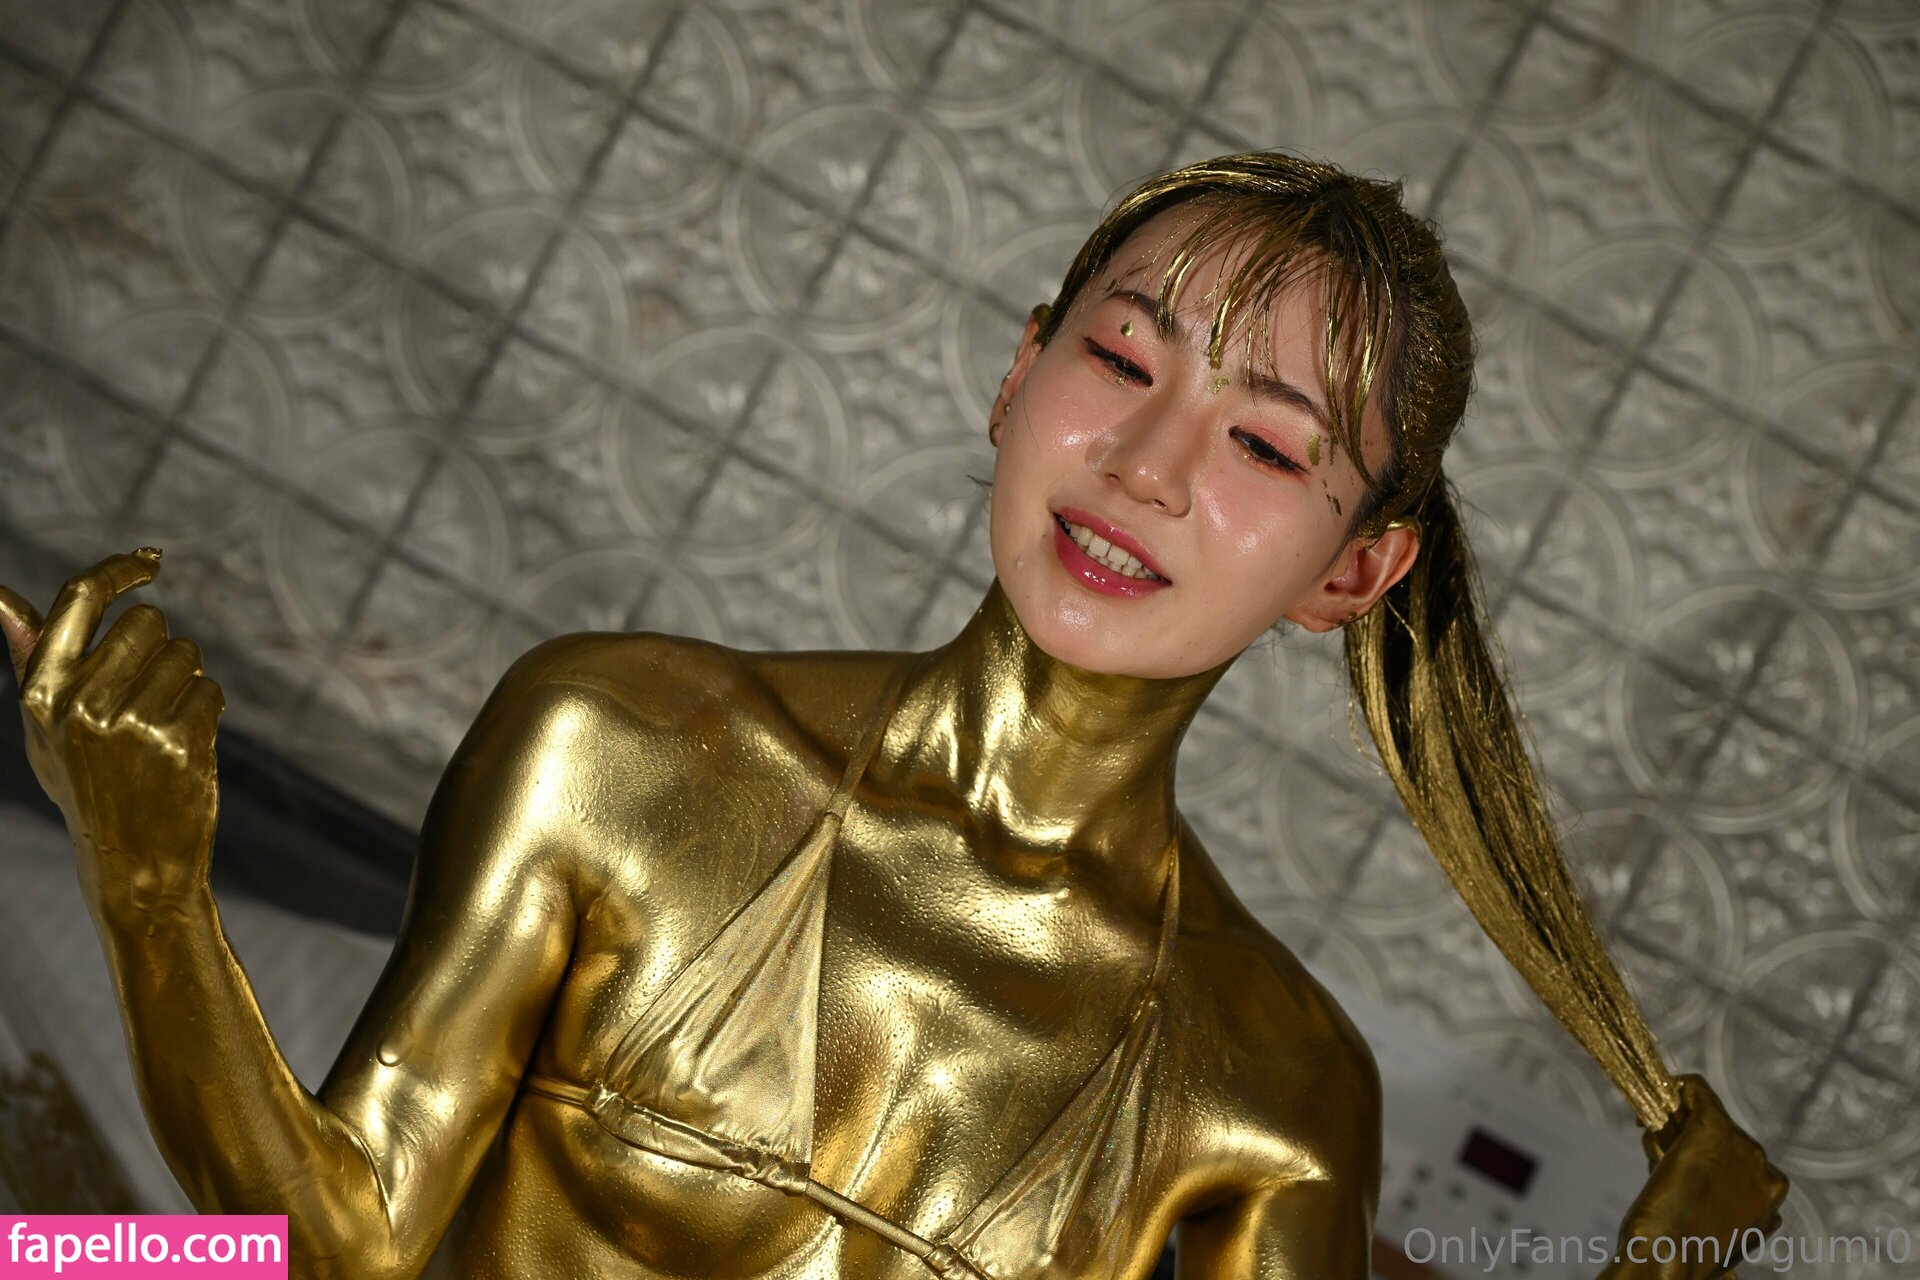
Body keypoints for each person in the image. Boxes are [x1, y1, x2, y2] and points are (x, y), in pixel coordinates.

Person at [0, 153, 1786, 1279]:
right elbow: (345, 1239)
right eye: (1120, 359)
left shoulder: (1275, 1086)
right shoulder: (622, 744)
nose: (1146, 464)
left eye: (1262, 444)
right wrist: (147, 882)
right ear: (1020, 373)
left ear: (1355, 570)